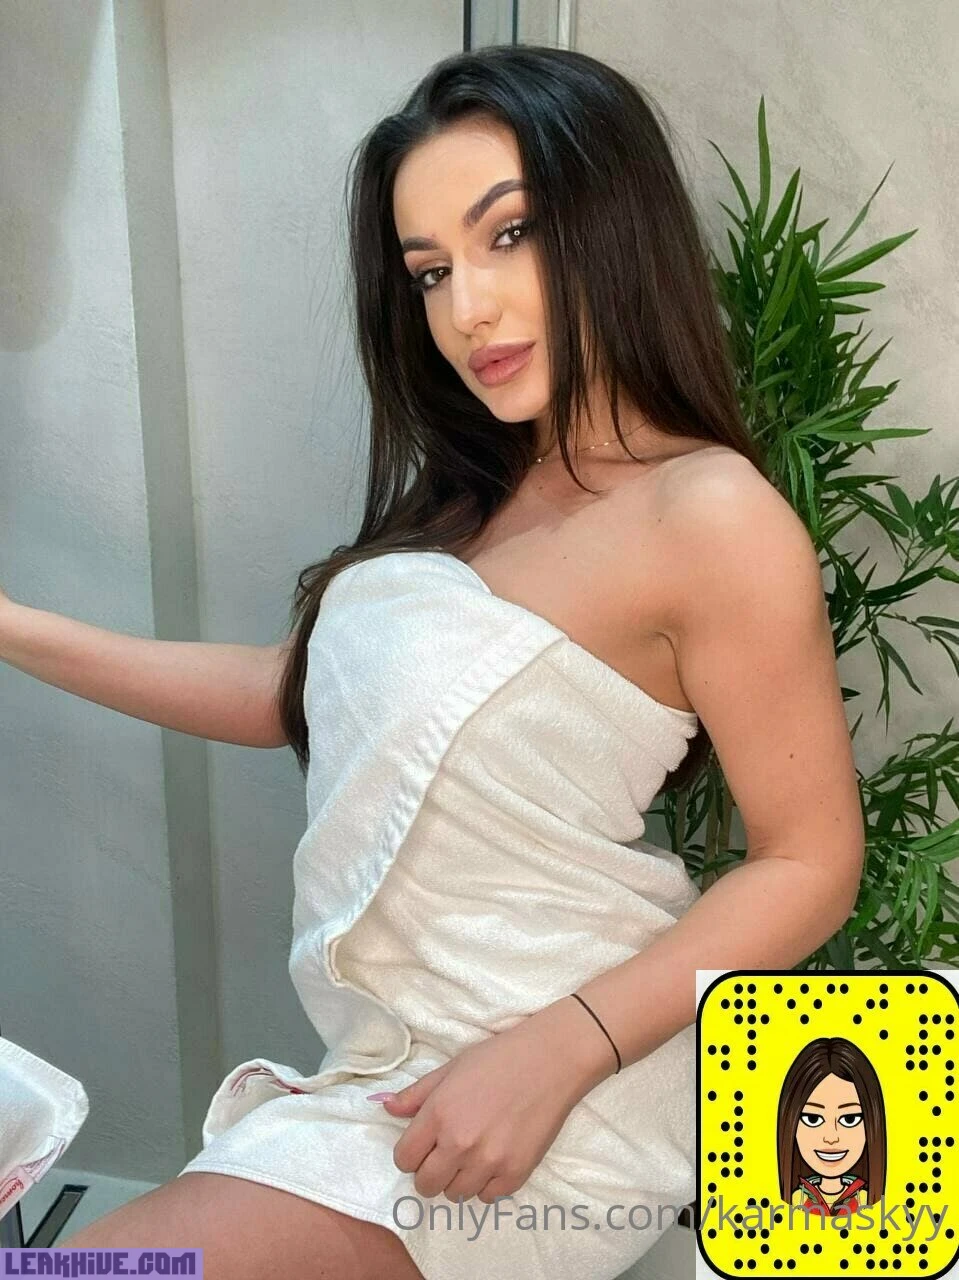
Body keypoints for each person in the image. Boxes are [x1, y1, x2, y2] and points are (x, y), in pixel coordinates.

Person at [2, 44, 865, 1280]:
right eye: (430, 271)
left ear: (613, 222)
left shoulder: (708, 514)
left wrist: (557, 1048)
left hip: (568, 1093)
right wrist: (14, 624)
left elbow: (808, 858)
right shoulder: (468, 499)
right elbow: (287, 692)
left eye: (508, 234)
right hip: (387, 1072)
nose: (467, 309)